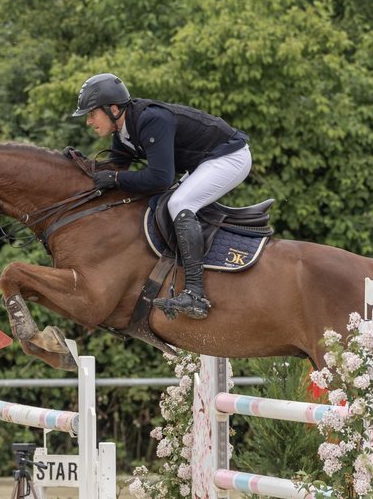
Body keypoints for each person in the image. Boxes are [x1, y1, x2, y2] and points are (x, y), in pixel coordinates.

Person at [71, 72, 251, 320]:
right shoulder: (123, 134)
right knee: (165, 203)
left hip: (230, 157)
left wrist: (115, 179)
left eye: (91, 113)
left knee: (179, 203)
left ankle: (196, 294)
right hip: (204, 162)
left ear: (112, 109)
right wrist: (80, 166)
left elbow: (159, 178)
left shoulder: (151, 120)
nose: (89, 121)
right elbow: (114, 170)